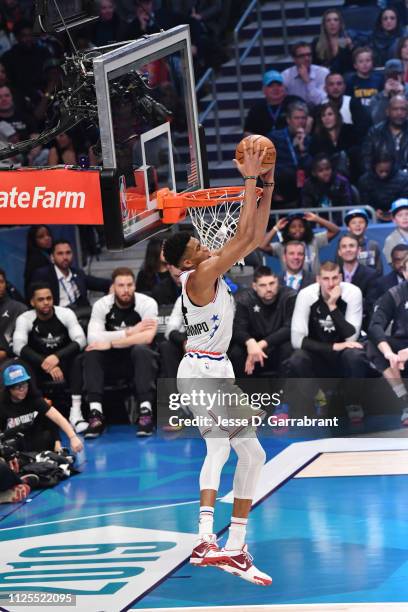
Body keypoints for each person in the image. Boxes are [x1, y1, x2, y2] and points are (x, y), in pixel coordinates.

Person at [162, 142, 275, 585]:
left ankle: (231, 547)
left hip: (214, 369)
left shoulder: (209, 266)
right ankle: (209, 540)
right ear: (188, 261)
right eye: (197, 244)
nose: (206, 244)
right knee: (232, 448)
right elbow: (245, 237)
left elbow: (255, 234)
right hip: (201, 371)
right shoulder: (202, 275)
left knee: (247, 452)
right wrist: (249, 179)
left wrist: (268, 184)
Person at [82, 267, 158, 438]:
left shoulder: (147, 303)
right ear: (113, 287)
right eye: (121, 285)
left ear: (135, 285)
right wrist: (130, 332)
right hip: (112, 363)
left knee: (142, 350)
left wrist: (111, 343)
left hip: (135, 361)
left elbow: (147, 337)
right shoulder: (102, 305)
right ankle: (96, 415)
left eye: (129, 285)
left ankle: (145, 413)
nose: (126, 290)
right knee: (91, 353)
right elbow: (93, 338)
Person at [285, 261, 366, 422]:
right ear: (318, 279)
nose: (330, 283)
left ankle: (353, 402)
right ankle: (320, 398)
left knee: (356, 356)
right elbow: (297, 341)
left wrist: (332, 306)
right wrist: (333, 346)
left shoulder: (352, 293)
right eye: (326, 279)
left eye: (335, 278)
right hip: (318, 354)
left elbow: (351, 337)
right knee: (297, 359)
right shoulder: (306, 295)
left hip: (343, 354)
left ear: (341, 278)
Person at [12, 282, 87, 434]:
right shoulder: (25, 318)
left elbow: (81, 340)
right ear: (32, 302)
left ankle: (76, 414)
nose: (46, 302)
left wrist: (56, 357)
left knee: (80, 358)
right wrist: (45, 362)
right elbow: (18, 346)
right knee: (21, 364)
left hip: (64, 364)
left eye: (49, 298)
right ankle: (34, 414)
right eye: (41, 299)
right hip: (38, 366)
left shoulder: (65, 314)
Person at [0, 363, 83, 453]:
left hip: (37, 444)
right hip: (14, 448)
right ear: (9, 389)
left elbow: (57, 418)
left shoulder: (34, 399)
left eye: (24, 385)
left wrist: (72, 437)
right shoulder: (2, 405)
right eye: (17, 387)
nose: (22, 389)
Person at [229, 266, 295, 378]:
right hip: (250, 347)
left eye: (272, 283)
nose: (269, 289)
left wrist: (260, 345)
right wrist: (250, 342)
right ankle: (243, 392)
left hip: (277, 346)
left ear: (277, 282)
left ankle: (286, 394)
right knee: (236, 352)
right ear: (254, 286)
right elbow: (238, 328)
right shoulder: (243, 299)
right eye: (263, 285)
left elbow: (290, 327)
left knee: (289, 348)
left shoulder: (289, 296)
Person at [367, 253, 408, 426]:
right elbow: (375, 325)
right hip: (401, 348)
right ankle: (404, 401)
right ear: (405, 273)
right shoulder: (395, 293)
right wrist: (389, 353)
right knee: (373, 346)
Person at [32, 240, 110, 311]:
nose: (65, 257)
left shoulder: (78, 273)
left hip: (81, 315)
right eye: (60, 253)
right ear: (52, 257)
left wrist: (114, 285)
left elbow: (100, 283)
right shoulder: (43, 275)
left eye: (68, 253)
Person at [260, 212, 340, 276]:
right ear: (287, 230)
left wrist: (317, 219)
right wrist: (276, 228)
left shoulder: (313, 240)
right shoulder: (281, 246)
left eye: (301, 226)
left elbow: (335, 230)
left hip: (314, 284)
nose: (297, 229)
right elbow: (262, 246)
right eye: (293, 227)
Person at [268, 100, 311, 206]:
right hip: (280, 187)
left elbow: (310, 167)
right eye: (297, 118)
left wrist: (302, 149)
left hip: (302, 188)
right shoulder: (275, 137)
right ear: (288, 120)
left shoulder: (309, 140)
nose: (300, 121)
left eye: (303, 118)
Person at [337, 233, 379, 327]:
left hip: (362, 324)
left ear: (359, 250)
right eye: (344, 247)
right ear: (339, 252)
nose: (348, 249)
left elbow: (370, 305)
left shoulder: (371, 275)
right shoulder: (334, 275)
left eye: (351, 246)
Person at [309, 101, 359, 178]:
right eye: (323, 115)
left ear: (336, 116)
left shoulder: (349, 130)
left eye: (330, 114)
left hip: (351, 172)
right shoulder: (317, 138)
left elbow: (356, 151)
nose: (327, 118)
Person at [244, 70, 302, 136]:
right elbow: (247, 132)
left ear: (284, 87)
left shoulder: (295, 102)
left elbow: (309, 119)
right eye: (271, 86)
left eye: (279, 85)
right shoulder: (256, 109)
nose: (276, 89)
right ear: (264, 90)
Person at [362, 95, 408, 173]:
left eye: (403, 109)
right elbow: (366, 160)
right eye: (395, 109)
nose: (399, 113)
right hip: (381, 179)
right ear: (387, 112)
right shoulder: (375, 132)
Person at [358, 151, 408, 221]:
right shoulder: (365, 180)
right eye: (381, 171)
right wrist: (373, 212)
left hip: (400, 216)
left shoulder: (404, 179)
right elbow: (364, 202)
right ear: (374, 167)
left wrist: (397, 211)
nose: (384, 174)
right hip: (373, 217)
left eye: (387, 171)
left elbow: (405, 200)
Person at [302, 153, 354, 218]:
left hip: (340, 222)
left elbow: (347, 206)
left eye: (328, 169)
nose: (325, 173)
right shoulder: (308, 185)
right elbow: (307, 208)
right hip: (317, 222)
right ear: (314, 173)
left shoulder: (342, 182)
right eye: (321, 170)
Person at [282, 41, 329, 107]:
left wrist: (308, 82)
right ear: (294, 59)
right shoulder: (285, 76)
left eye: (309, 55)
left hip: (319, 112)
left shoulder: (323, 73)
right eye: (302, 56)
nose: (307, 58)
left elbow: (321, 101)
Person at [312, 9, 353, 73]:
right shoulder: (316, 42)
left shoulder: (346, 41)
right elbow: (314, 67)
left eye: (336, 20)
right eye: (328, 20)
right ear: (324, 25)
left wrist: (349, 48)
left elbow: (350, 67)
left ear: (340, 24)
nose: (332, 23)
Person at [343, 208, 383, 274]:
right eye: (353, 223)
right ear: (348, 227)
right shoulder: (343, 246)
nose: (357, 225)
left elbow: (379, 271)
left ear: (366, 226)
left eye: (361, 222)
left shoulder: (373, 245)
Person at [369, 59, 408, 124]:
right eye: (390, 75)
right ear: (385, 77)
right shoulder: (378, 97)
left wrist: (402, 96)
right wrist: (385, 96)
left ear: (403, 75)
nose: (393, 79)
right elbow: (377, 121)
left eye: (396, 75)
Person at [0, 268, 26, 363]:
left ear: (5, 284)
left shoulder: (19, 309)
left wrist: (7, 352)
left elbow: (24, 343)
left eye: (1, 282)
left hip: (12, 361)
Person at [23, 225, 53, 298]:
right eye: (41, 237)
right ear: (33, 240)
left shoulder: (50, 254)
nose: (47, 238)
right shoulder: (35, 260)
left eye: (48, 235)